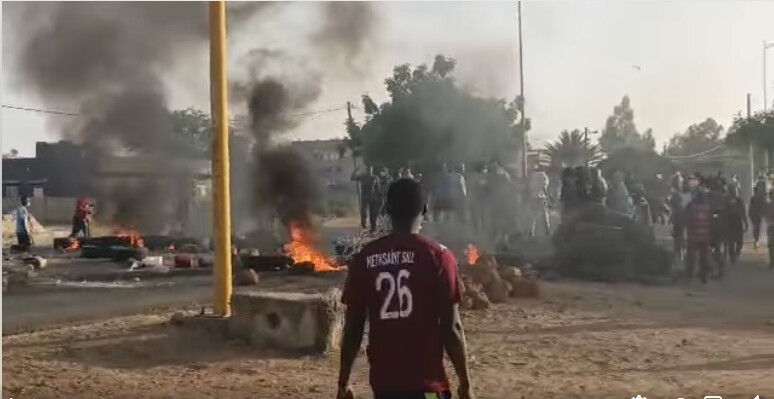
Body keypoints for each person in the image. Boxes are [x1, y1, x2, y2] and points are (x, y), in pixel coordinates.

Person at [337, 178, 474, 399]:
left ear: (387, 210)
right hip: (428, 387)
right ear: (426, 210)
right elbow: (452, 328)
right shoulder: (439, 257)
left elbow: (353, 328)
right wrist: (465, 383)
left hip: (385, 387)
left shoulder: (365, 258)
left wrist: (343, 381)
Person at [685, 189, 712, 283]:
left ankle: (689, 276)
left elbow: (687, 220)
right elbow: (711, 221)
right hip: (704, 236)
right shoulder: (708, 208)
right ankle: (703, 277)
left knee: (691, 257)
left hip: (693, 236)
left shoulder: (691, 207)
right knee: (703, 258)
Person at [723, 187, 747, 265]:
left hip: (737, 221)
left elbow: (743, 212)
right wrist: (715, 217)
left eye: (735, 191)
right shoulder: (725, 201)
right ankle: (732, 256)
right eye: (732, 190)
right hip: (729, 221)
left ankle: (737, 252)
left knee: (739, 239)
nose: (733, 192)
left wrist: (745, 222)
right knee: (731, 241)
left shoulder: (740, 201)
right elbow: (719, 211)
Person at [352, 166, 379, 232]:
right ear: (366, 171)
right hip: (364, 197)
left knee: (373, 214)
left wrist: (379, 198)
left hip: (373, 198)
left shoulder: (375, 177)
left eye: (371, 170)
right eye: (368, 170)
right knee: (363, 212)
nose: (370, 171)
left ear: (372, 170)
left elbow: (378, 189)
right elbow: (352, 178)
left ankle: (373, 228)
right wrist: (355, 171)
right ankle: (363, 227)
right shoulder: (362, 177)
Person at [749, 180, 767, 249]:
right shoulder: (761, 198)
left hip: (753, 215)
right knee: (757, 228)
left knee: (755, 227)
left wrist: (750, 214)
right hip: (758, 215)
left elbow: (751, 207)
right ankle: (756, 240)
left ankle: (755, 239)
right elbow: (764, 206)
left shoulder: (753, 198)